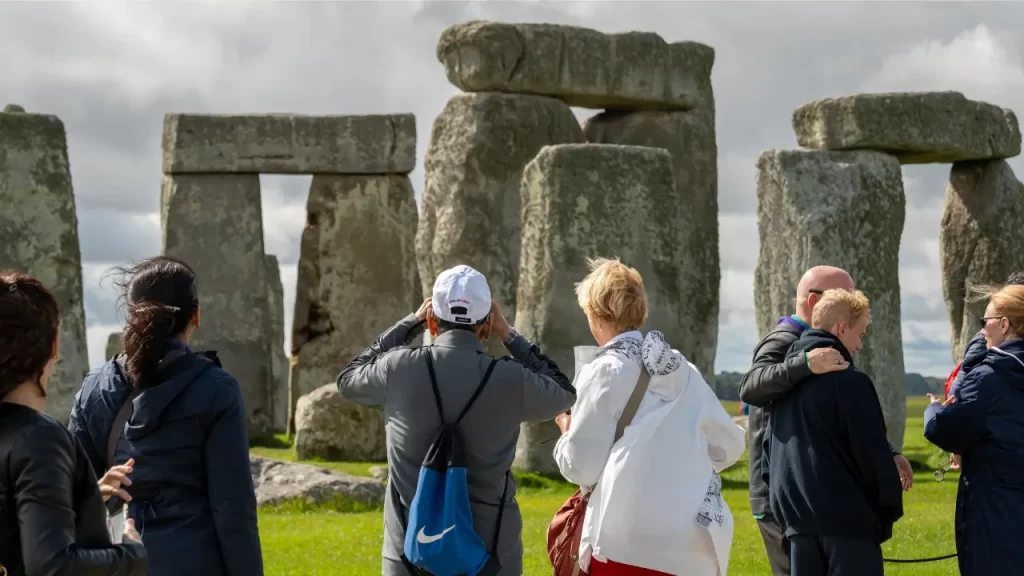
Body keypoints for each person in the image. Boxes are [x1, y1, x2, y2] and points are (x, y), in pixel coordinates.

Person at [338, 264, 576, 576]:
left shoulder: (397, 368)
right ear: (487, 324)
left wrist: (410, 323)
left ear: (432, 320)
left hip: (409, 554)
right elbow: (564, 393)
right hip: (490, 554)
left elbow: (348, 378)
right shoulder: (510, 379)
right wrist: (510, 334)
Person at [68, 256, 263, 576]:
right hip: (196, 561)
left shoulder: (94, 387)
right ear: (196, 316)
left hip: (117, 560)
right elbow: (233, 511)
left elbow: (73, 491)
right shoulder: (217, 390)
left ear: (132, 317)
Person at [553, 258, 746, 576]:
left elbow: (582, 467)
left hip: (625, 539)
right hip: (690, 544)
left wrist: (566, 432)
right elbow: (728, 447)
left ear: (596, 313)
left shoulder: (602, 370)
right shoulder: (684, 370)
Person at [739, 266, 911, 575]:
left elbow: (839, 419)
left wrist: (890, 451)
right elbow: (751, 387)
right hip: (782, 497)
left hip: (800, 498)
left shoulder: (822, 349)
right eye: (841, 295)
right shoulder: (784, 340)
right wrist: (804, 363)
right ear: (815, 301)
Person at [0, 270, 147, 575]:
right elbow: (52, 565)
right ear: (53, 346)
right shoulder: (38, 440)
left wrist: (83, 496)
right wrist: (131, 555)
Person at [924, 283, 1024, 576]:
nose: (981, 331)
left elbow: (945, 431)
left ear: (1004, 324)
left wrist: (934, 410)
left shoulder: (988, 377)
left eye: (986, 322)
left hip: (996, 510)